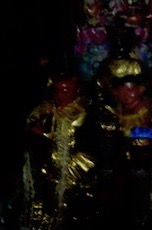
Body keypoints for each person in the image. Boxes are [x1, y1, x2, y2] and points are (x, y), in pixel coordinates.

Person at [20, 73, 97, 229]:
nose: (60, 95)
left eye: (66, 90)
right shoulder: (45, 111)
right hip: (47, 171)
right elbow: (33, 137)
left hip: (74, 174)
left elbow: (90, 148)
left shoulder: (85, 114)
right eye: (57, 91)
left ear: (77, 90)